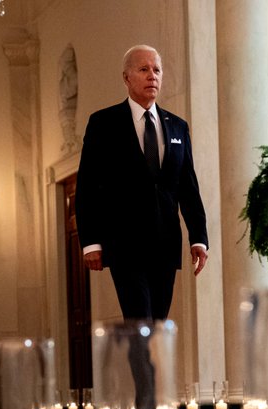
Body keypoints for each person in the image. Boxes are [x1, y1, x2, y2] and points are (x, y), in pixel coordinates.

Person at [76, 45, 209, 321]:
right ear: (126, 78)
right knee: (140, 323)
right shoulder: (103, 123)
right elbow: (88, 184)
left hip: (165, 244)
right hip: (125, 244)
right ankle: (146, 367)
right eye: (144, 69)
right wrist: (91, 242)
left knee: (157, 325)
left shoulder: (177, 126)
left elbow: (188, 185)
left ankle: (151, 367)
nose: (152, 76)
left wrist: (199, 237)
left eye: (157, 69)